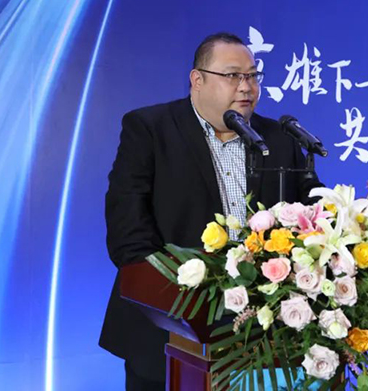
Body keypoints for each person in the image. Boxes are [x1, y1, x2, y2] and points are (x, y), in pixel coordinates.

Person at [99, 33, 323, 390]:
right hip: (167, 332)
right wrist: (188, 291)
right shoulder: (150, 129)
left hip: (267, 338)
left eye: (252, 76)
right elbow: (128, 232)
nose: (246, 87)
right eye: (233, 75)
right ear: (197, 80)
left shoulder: (278, 139)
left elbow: (313, 218)